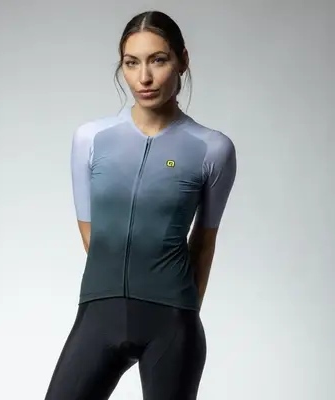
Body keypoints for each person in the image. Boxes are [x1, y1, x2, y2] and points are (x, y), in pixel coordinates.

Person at [44, 10, 237, 400]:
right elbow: (92, 234)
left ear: (182, 60)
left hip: (171, 322)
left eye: (158, 60)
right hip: (99, 314)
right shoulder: (91, 139)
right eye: (132, 63)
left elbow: (204, 244)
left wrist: (181, 311)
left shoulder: (212, 149)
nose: (144, 77)